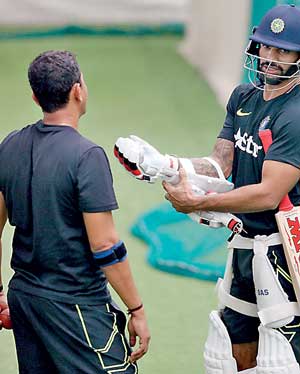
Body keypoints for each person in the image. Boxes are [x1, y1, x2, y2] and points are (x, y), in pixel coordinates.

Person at [114, 4, 300, 374]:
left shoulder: (294, 114)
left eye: (282, 51)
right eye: (265, 46)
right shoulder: (243, 98)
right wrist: (167, 166)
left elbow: (266, 193)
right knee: (227, 352)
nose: (270, 58)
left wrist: (201, 201)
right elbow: (220, 164)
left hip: (283, 252)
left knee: (282, 359)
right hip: (245, 245)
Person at [0, 50, 150, 373]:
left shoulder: (9, 146)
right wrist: (136, 308)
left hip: (24, 299)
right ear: (77, 90)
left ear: (35, 97)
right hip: (75, 305)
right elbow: (106, 246)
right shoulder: (87, 157)